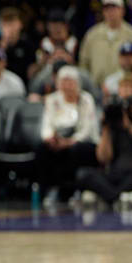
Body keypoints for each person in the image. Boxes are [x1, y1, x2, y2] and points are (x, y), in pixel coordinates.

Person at [38, 66, 100, 205]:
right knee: (42, 149)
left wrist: (71, 141)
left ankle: (73, 190)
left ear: (77, 83)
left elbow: (87, 129)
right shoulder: (52, 100)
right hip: (58, 139)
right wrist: (50, 138)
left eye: (70, 81)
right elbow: (46, 124)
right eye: (63, 81)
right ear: (58, 83)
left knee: (75, 150)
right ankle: (50, 189)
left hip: (83, 141)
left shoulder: (86, 99)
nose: (67, 85)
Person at [79, 0, 132, 85]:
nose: (110, 12)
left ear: (122, 10)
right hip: (96, 86)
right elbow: (84, 63)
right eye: (106, 9)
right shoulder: (92, 35)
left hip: (124, 87)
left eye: (114, 8)